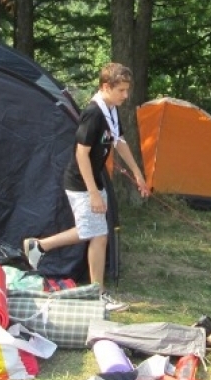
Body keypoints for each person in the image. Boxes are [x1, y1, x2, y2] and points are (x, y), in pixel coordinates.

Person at [22, 63, 151, 312]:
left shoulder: (111, 110)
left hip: (94, 180)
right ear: (106, 87)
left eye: (127, 90)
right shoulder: (93, 113)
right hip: (80, 183)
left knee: (96, 233)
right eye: (121, 90)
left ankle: (41, 247)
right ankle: (96, 293)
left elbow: (119, 141)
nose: (126, 95)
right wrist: (93, 193)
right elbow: (81, 154)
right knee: (96, 234)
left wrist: (137, 173)